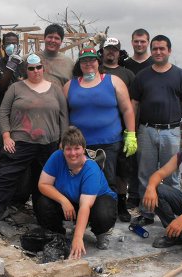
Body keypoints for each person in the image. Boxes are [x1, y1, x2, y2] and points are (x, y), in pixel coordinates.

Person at [0, 54, 69, 236]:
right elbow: (3, 113)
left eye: (38, 67)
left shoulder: (55, 90)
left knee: (47, 185)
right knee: (3, 181)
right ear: (26, 70)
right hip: (21, 143)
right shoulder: (16, 88)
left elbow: (63, 117)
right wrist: (6, 136)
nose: (35, 71)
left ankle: (50, 225)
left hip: (49, 145)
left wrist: (63, 141)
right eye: (31, 68)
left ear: (43, 68)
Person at [130, 35, 182, 226]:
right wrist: (133, 131)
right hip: (147, 130)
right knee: (145, 174)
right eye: (155, 49)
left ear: (169, 51)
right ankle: (147, 213)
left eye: (162, 49)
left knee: (172, 177)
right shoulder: (142, 76)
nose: (158, 52)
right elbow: (134, 104)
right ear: (151, 51)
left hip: (173, 131)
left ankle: (171, 217)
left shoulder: (180, 75)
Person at [64, 46, 137, 202]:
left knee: (110, 180)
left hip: (109, 143)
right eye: (84, 60)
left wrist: (131, 134)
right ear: (79, 64)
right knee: (83, 179)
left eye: (92, 60)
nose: (88, 63)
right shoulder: (70, 85)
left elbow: (127, 110)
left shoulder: (113, 81)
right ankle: (87, 212)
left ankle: (111, 212)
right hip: (80, 145)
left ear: (98, 61)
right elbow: (63, 114)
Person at [35, 126, 117, 258]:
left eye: (77, 148)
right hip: (70, 199)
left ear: (83, 149)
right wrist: (63, 201)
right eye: (68, 149)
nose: (73, 153)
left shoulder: (90, 167)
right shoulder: (56, 157)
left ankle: (102, 232)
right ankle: (58, 235)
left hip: (95, 201)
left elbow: (85, 206)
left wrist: (78, 238)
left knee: (103, 213)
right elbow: (43, 184)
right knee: (43, 202)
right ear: (62, 149)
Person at [0, 32, 25, 190]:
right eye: (8, 43)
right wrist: (9, 67)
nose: (11, 46)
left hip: (19, 122)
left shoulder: (23, 65)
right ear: (2, 46)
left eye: (14, 43)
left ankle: (14, 196)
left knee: (14, 159)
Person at [100, 37, 135, 222]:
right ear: (102, 51)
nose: (111, 52)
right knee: (101, 170)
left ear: (119, 52)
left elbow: (133, 104)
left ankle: (121, 205)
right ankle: (102, 206)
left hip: (122, 129)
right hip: (102, 131)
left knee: (122, 171)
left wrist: (132, 132)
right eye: (108, 49)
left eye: (114, 49)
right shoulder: (96, 71)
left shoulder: (127, 74)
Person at [123, 28, 154, 209]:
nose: (139, 44)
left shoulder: (154, 63)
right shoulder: (125, 64)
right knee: (130, 160)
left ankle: (147, 197)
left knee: (147, 161)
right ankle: (132, 195)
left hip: (148, 117)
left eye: (143, 41)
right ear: (132, 42)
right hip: (127, 117)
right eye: (136, 41)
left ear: (147, 42)